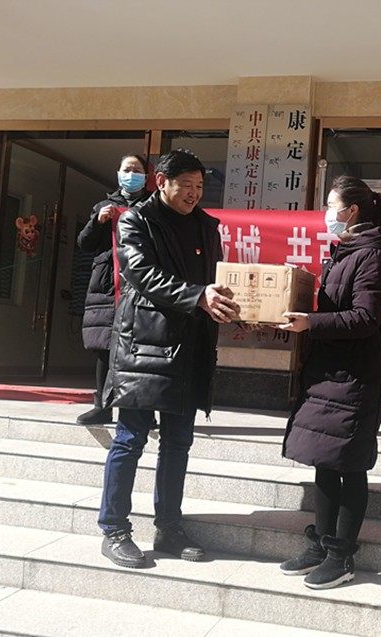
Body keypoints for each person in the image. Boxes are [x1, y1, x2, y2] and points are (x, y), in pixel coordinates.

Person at [97, 149, 240, 568]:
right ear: (162, 182)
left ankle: (169, 527)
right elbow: (141, 274)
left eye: (200, 186)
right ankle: (114, 529)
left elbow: (214, 279)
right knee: (130, 440)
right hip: (145, 344)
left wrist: (230, 305)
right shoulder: (136, 220)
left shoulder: (206, 227)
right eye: (187, 186)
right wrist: (198, 297)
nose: (194, 194)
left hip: (191, 346)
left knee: (178, 443)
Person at [276, 175, 381, 589]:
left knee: (349, 464)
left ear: (351, 211)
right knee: (325, 460)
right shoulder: (347, 249)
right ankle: (320, 544)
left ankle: (341, 555)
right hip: (330, 369)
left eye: (331, 206)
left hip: (355, 374)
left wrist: (312, 323)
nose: (327, 214)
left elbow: (366, 318)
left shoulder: (374, 253)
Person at [76, 154, 150, 425]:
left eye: (137, 170)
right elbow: (84, 244)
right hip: (107, 285)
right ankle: (102, 406)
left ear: (146, 176)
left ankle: (144, 409)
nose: (131, 174)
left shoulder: (154, 206)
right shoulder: (103, 206)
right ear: (118, 173)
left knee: (142, 348)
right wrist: (97, 222)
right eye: (127, 169)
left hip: (142, 284)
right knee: (105, 345)